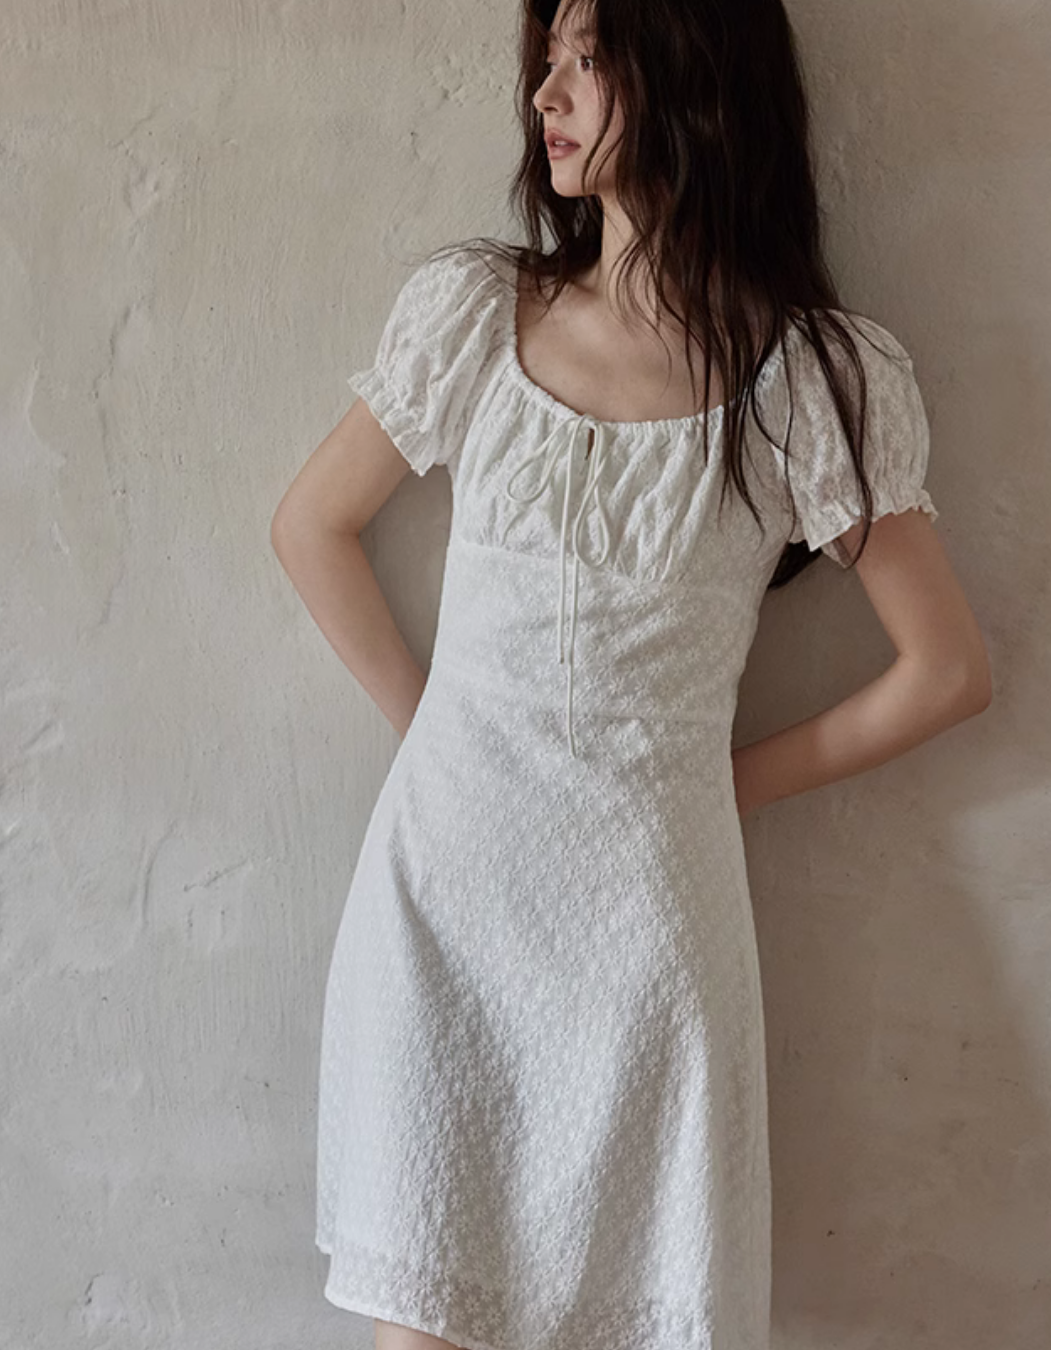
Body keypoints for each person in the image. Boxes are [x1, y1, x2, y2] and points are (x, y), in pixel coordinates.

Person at [271, 1, 992, 1348]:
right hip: (441, 912)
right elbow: (311, 527)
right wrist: (441, 735)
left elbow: (946, 669)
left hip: (648, 934)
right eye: (545, 59)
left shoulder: (805, 382)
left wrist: (713, 783)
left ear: (691, 78)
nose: (547, 93)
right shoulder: (480, 313)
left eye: (587, 59)